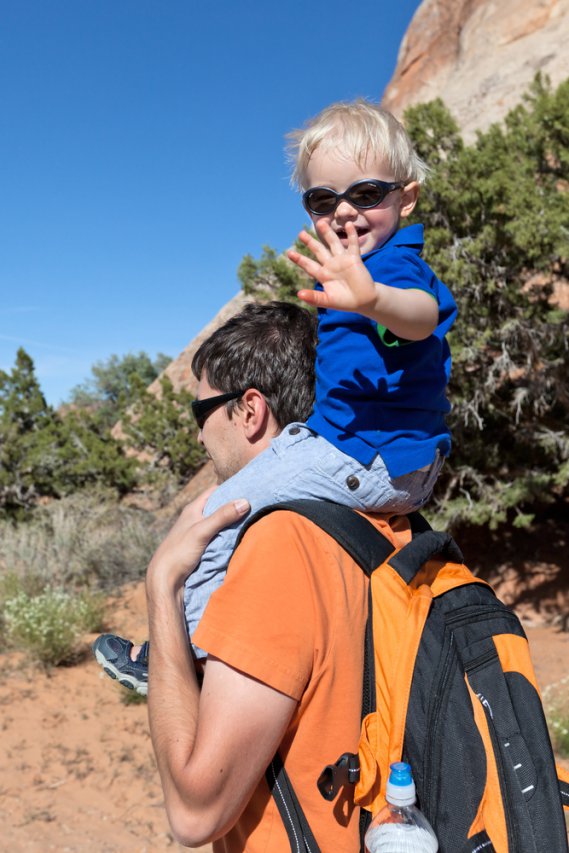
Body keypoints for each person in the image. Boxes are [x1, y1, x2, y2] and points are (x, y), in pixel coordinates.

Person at [94, 98, 456, 698]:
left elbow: (420, 319)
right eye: (323, 200)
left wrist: (371, 299)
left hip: (366, 458)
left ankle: (184, 654)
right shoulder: (359, 270)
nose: (344, 211)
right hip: (374, 454)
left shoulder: (395, 270)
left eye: (367, 194)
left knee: (216, 520)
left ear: (407, 198)